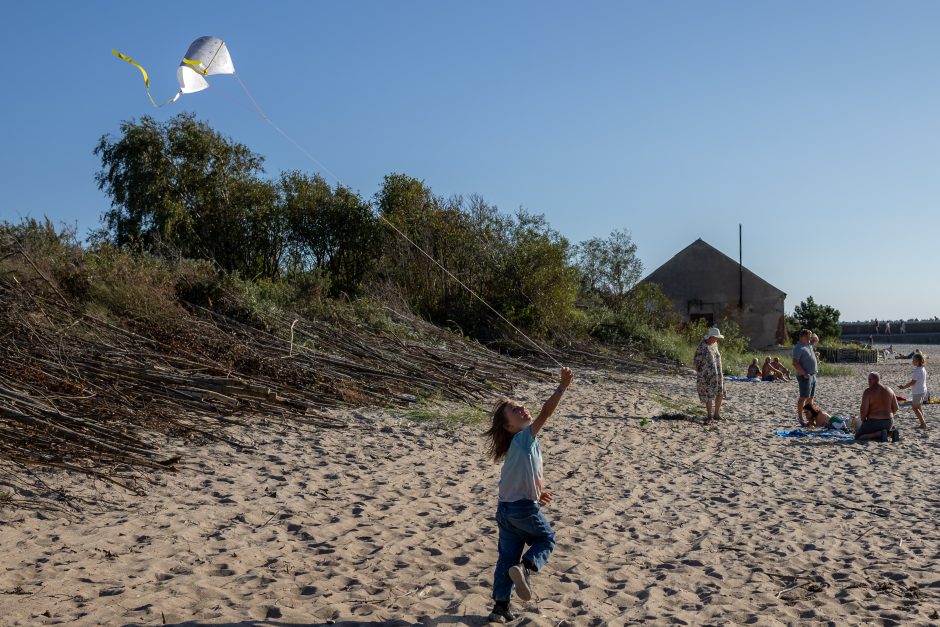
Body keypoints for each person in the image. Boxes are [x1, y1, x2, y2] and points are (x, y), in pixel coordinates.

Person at [484, 367, 573, 622]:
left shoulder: (521, 444)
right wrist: (562, 386)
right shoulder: (523, 437)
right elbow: (546, 412)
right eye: (514, 410)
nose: (522, 408)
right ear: (508, 426)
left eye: (520, 405)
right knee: (547, 539)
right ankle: (526, 568)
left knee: (506, 559)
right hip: (521, 510)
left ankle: (500, 607)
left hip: (506, 511)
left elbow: (519, 477)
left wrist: (538, 492)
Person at [856, 372, 900, 442]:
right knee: (884, 430)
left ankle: (879, 434)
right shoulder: (889, 390)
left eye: (868, 380)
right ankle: (891, 433)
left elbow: (863, 411)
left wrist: (864, 420)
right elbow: (896, 407)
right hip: (889, 421)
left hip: (874, 422)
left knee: (858, 436)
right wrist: (889, 416)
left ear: (870, 380)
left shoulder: (868, 391)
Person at [694, 327, 726, 420]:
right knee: (709, 395)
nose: (716, 339)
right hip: (706, 376)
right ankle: (709, 415)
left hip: (717, 374)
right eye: (715, 337)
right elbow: (697, 361)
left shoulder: (715, 344)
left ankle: (717, 414)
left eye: (717, 338)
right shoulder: (702, 346)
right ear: (710, 336)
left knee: (720, 392)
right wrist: (702, 373)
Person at [792, 329, 818, 426]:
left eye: (810, 336)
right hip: (804, 376)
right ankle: (800, 418)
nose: (810, 338)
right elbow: (795, 363)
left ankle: (810, 418)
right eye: (808, 336)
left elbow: (816, 340)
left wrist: (814, 336)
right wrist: (804, 373)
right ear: (802, 336)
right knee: (803, 397)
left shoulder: (808, 344)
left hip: (813, 375)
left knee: (810, 398)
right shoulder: (799, 347)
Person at [898, 353, 928, 430]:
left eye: (913, 360)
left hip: (918, 391)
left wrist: (903, 387)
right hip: (922, 390)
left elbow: (912, 382)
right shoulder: (922, 368)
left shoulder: (917, 370)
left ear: (917, 361)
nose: (912, 361)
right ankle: (923, 422)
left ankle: (923, 424)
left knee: (915, 408)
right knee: (918, 407)